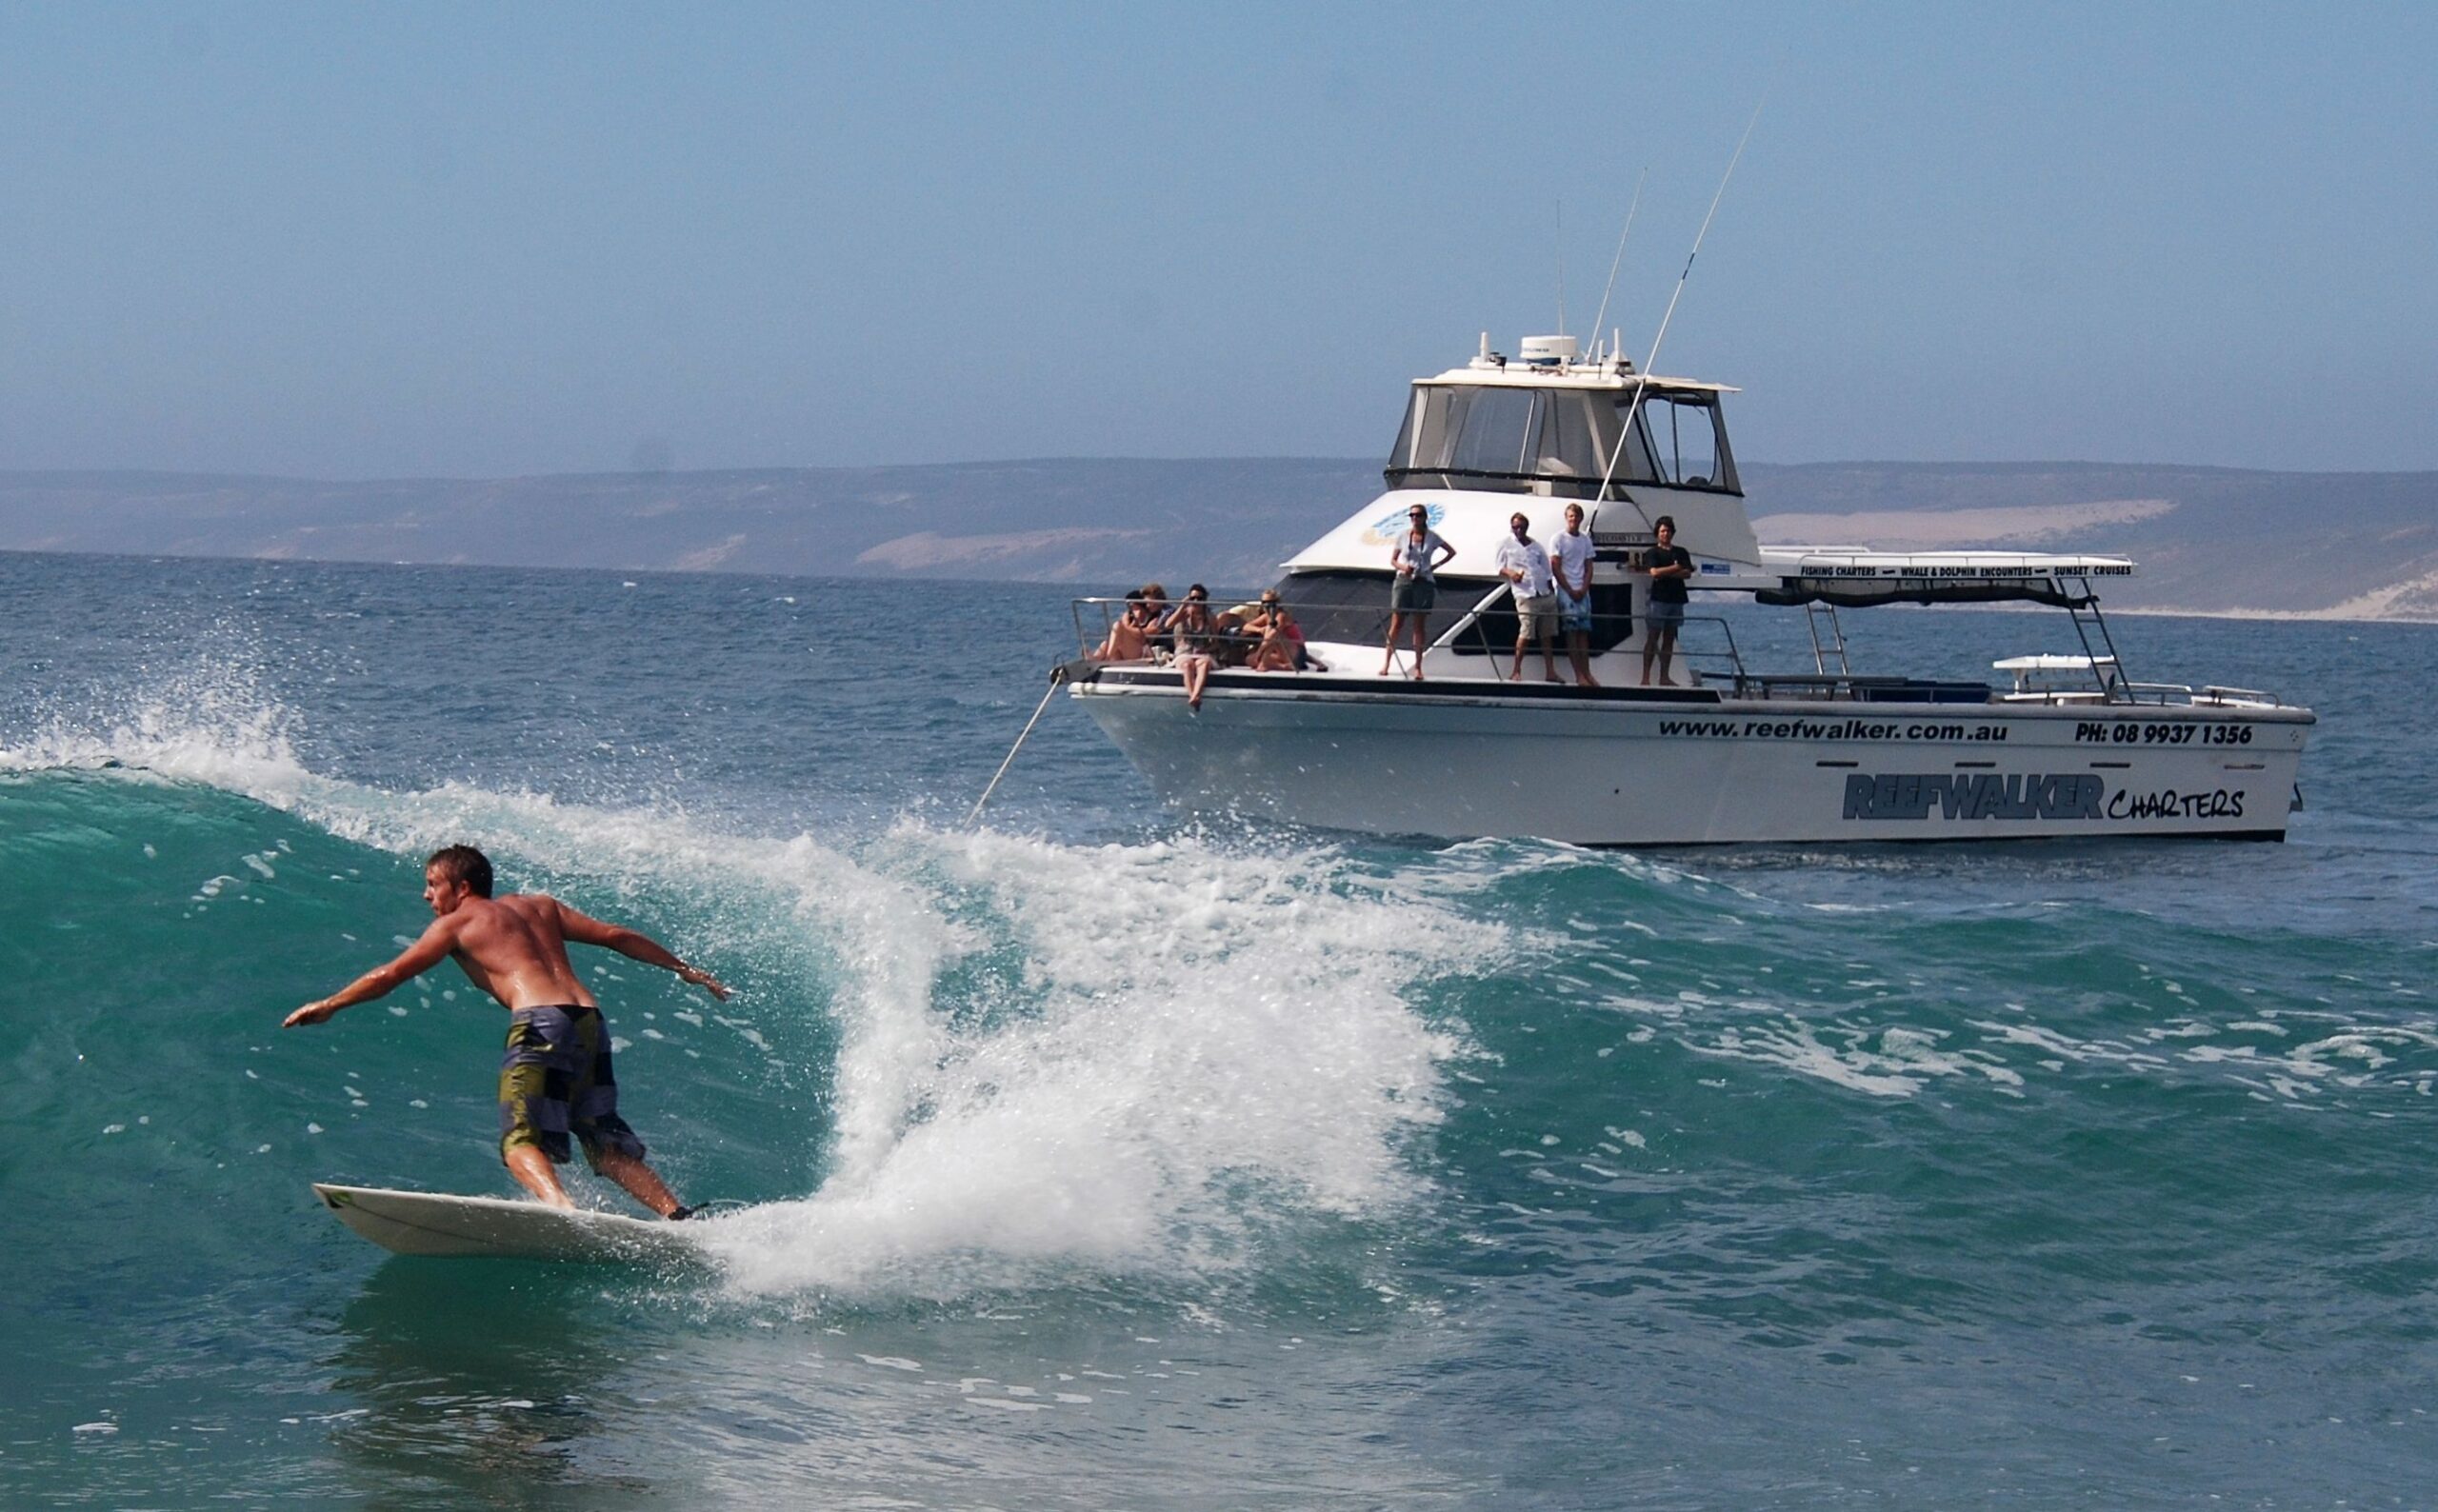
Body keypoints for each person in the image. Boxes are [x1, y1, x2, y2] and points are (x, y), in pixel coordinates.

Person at [283, 844, 729, 1219]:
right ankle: (676, 1215)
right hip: (589, 1021)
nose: (426, 896)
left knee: (519, 1140)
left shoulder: (456, 924)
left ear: (462, 887)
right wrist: (685, 969)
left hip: (540, 1022)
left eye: (433, 885)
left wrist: (331, 1004)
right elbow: (615, 935)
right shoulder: (540, 907)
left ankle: (561, 1208)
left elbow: (391, 975)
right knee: (602, 1138)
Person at [1381, 504, 1456, 679]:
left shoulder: (1432, 537)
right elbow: (1393, 560)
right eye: (1412, 515)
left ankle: (1418, 667)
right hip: (1404, 580)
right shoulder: (1402, 536)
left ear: (1424, 517)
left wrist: (1434, 567)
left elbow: (1451, 552)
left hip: (1423, 581)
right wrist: (1403, 567)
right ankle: (1386, 663)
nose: (1415, 518)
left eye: (1418, 515)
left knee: (1418, 626)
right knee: (1397, 623)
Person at [1494, 511, 1559, 684]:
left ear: (1526, 527)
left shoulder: (1536, 546)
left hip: (1543, 593)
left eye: (1521, 527)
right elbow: (1499, 567)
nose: (1518, 530)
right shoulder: (1506, 544)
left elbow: (1546, 570)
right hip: (1525, 594)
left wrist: (1551, 590)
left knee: (1547, 634)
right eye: (1515, 527)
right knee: (1526, 631)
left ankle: (1550, 672)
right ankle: (1516, 670)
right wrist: (1512, 573)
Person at [1641, 514, 1694, 687]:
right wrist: (1676, 568)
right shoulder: (1652, 553)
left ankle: (1664, 676)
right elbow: (1654, 573)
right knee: (1653, 637)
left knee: (1669, 639)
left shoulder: (1681, 552)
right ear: (1658, 533)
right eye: (1663, 531)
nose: (1666, 534)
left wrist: (1668, 572)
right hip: (1659, 599)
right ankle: (1646, 677)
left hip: (1676, 599)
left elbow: (1687, 573)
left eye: (1669, 531)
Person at [1549, 502, 1599, 687]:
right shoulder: (1558, 539)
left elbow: (1589, 566)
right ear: (1566, 518)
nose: (1574, 520)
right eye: (1571, 517)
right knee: (1571, 632)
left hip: (1582, 590)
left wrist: (1584, 588)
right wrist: (1570, 590)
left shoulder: (1585, 539)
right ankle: (1579, 675)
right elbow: (1555, 565)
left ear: (1580, 519)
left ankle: (1587, 673)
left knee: (1583, 633)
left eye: (1577, 517)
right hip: (1565, 590)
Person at [1164, 583, 1219, 710]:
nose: (1195, 601)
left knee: (1203, 665)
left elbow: (1216, 643)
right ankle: (1194, 697)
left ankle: (1195, 695)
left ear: (1204, 600)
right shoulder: (1184, 614)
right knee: (1187, 665)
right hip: (1184, 652)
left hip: (1202, 652)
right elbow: (1168, 624)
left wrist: (1206, 649)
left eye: (1199, 599)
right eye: (1192, 598)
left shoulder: (1210, 618)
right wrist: (1182, 606)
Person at [1090, 589, 1156, 662]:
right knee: (1106, 643)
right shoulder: (1128, 615)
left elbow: (1143, 637)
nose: (1130, 607)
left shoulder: (1151, 618)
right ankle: (1095, 659)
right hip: (1127, 651)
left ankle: (1107, 658)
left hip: (1140, 651)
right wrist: (1133, 623)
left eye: (1132, 605)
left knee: (1118, 625)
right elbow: (1124, 628)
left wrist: (1133, 624)